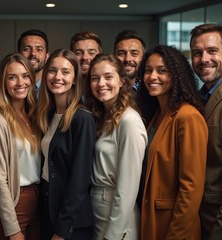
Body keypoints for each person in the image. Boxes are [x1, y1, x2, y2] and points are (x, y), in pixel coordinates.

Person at [136, 45, 208, 239]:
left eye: (162, 71)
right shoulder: (157, 114)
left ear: (176, 75)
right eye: (148, 71)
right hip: (151, 220)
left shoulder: (187, 116)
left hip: (173, 226)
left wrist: (176, 234)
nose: (152, 77)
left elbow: (191, 187)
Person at [85, 54, 147, 240]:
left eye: (108, 77)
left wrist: (113, 234)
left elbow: (128, 186)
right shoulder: (103, 117)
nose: (101, 83)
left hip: (117, 215)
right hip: (98, 207)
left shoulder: (129, 121)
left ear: (121, 81)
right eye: (95, 78)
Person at [37, 49, 96, 240]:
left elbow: (80, 180)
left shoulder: (82, 118)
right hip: (49, 210)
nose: (57, 77)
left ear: (74, 79)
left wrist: (63, 229)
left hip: (72, 223)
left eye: (65, 72)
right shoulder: (47, 115)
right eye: (52, 71)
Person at [0, 53, 41, 240]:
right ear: (3, 82)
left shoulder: (36, 116)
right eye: (12, 77)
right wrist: (11, 227)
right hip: (15, 201)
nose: (20, 82)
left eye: (25, 76)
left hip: (39, 199)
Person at [190, 23, 222, 239]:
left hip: (219, 223)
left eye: (212, 51)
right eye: (197, 53)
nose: (204, 59)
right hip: (200, 219)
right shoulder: (199, 96)